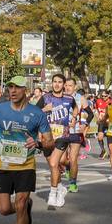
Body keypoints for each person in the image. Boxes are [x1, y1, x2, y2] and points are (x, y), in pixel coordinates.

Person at [0, 75, 55, 224]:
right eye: (10, 88)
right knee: (4, 209)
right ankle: (26, 208)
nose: (13, 91)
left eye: (17, 88)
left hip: (25, 165)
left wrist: (38, 143)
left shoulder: (37, 113)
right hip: (4, 164)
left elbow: (50, 143)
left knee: (21, 203)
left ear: (26, 90)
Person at [39, 74, 75, 209]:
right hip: (47, 137)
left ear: (64, 84)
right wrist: (44, 109)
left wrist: (74, 118)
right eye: (55, 82)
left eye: (60, 82)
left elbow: (76, 109)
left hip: (62, 136)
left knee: (54, 163)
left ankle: (52, 194)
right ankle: (60, 187)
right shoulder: (45, 98)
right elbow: (34, 113)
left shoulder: (69, 99)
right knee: (52, 166)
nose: (57, 84)